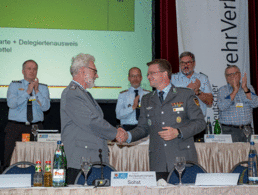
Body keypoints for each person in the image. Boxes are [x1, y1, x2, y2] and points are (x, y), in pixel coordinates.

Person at [120, 59, 206, 173]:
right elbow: (143, 128)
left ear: (165, 74)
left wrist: (178, 132)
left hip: (182, 158)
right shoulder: (147, 99)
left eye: (152, 73)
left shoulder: (185, 94)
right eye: (148, 74)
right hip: (158, 161)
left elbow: (200, 123)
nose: (148, 77)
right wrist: (128, 136)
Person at [60, 53, 127, 184]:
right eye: (94, 71)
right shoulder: (72, 93)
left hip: (91, 159)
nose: (97, 75)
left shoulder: (83, 93)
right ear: (82, 70)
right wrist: (115, 133)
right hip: (80, 162)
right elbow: (91, 122)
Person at [4, 60, 50, 167]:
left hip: (35, 128)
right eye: (29, 68)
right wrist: (27, 92)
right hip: (15, 127)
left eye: (34, 69)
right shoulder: (14, 85)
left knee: (36, 159)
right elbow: (11, 103)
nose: (32, 71)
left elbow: (46, 107)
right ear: (23, 71)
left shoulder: (43, 88)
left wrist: (37, 91)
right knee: (10, 160)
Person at [218, 65, 258, 142]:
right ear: (226, 78)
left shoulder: (248, 88)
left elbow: (255, 103)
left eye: (234, 73)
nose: (232, 76)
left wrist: (245, 89)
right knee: (232, 154)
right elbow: (221, 107)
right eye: (229, 75)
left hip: (247, 130)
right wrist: (235, 91)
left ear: (239, 75)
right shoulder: (222, 90)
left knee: (248, 152)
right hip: (229, 130)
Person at [171, 51, 213, 116]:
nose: (185, 65)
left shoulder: (202, 78)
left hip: (197, 120)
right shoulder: (172, 79)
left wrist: (197, 91)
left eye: (188, 63)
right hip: (178, 119)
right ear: (179, 64)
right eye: (182, 63)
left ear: (194, 63)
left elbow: (210, 102)